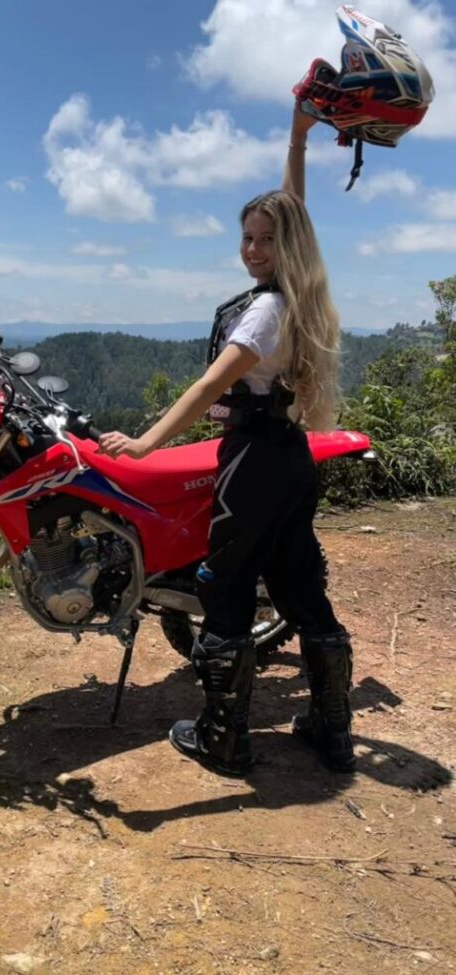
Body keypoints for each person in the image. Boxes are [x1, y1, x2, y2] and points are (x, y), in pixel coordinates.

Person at [98, 103, 356, 777]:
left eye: (263, 240)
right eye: (245, 237)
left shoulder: (268, 311)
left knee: (226, 588)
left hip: (252, 461)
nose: (251, 249)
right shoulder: (296, 294)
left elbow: (207, 388)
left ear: (284, 248)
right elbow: (293, 207)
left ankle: (223, 737)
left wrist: (147, 442)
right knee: (301, 584)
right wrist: (298, 137)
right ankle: (333, 729)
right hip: (290, 458)